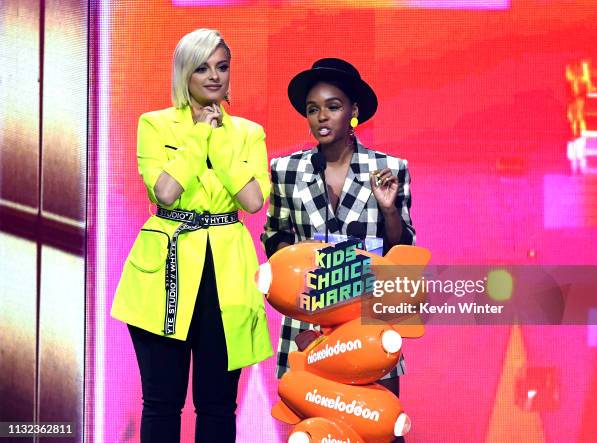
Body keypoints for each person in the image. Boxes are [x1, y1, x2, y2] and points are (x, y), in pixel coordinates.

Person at [111, 28, 272, 443]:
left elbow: (253, 201)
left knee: (218, 405)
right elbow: (164, 191)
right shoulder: (155, 124)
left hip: (227, 272)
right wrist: (199, 134)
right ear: (184, 72)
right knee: (162, 403)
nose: (214, 77)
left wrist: (217, 140)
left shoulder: (247, 133)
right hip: (163, 270)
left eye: (221, 67)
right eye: (202, 68)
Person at [262, 58, 415, 442]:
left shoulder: (388, 168)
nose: (321, 117)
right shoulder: (286, 170)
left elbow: (401, 251)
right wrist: (301, 286)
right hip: (307, 324)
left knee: (378, 428)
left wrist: (388, 208)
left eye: (332, 106)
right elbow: (274, 237)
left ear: (354, 112)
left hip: (365, 323)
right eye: (313, 109)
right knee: (313, 434)